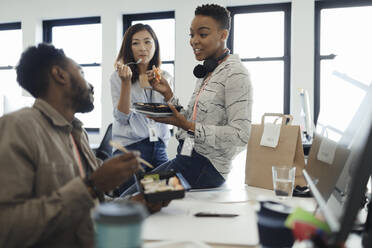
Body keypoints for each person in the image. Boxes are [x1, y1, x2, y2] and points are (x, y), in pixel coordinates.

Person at [0, 43, 168, 248]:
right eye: (81, 72)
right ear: (59, 75)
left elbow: (93, 205)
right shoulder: (19, 127)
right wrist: (91, 185)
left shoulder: (77, 133)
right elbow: (7, 228)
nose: (91, 85)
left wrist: (137, 202)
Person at [122, 4, 252, 196]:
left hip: (206, 167)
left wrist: (188, 125)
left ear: (223, 35)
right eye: (191, 35)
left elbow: (241, 135)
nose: (194, 41)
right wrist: (168, 94)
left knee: (134, 197)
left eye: (203, 34)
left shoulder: (235, 74)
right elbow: (190, 119)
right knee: (130, 194)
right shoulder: (207, 71)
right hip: (187, 159)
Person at [110, 23, 174, 195]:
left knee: (162, 198)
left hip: (158, 148)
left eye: (147, 42)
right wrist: (126, 83)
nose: (142, 48)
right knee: (129, 201)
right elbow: (122, 118)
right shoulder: (118, 77)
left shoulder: (165, 77)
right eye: (135, 43)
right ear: (129, 48)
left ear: (155, 46)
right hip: (131, 148)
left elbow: (174, 116)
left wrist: (166, 91)